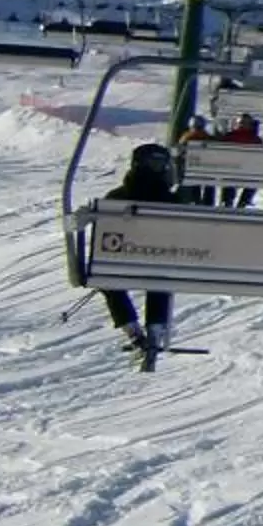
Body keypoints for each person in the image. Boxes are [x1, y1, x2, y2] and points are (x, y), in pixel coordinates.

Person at [102, 142, 182, 365]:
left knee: (106, 277)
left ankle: (134, 333)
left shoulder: (116, 198)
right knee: (160, 274)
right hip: (161, 263)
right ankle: (154, 330)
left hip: (119, 264)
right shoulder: (172, 201)